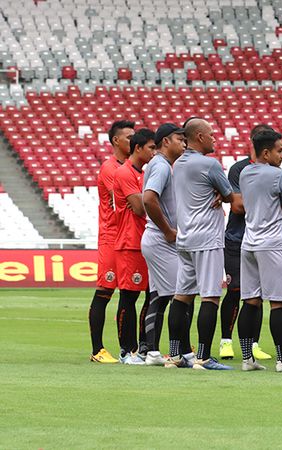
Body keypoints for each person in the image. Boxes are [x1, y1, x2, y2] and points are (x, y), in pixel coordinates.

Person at [166, 118, 235, 370]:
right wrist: (220, 193)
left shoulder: (179, 163)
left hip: (185, 237)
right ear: (200, 137)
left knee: (181, 296)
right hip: (207, 238)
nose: (215, 138)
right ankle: (203, 358)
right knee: (211, 296)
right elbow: (230, 196)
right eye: (211, 134)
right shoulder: (209, 164)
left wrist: (215, 191)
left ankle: (174, 355)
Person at [235, 130, 282, 372]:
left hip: (249, 243)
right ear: (266, 152)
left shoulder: (244, 173)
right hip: (272, 244)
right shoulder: (277, 176)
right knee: (279, 304)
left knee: (250, 301)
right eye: (279, 150)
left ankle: (246, 359)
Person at [220, 124, 275, 361]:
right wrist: (266, 205)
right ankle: (225, 341)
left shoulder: (274, 170)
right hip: (236, 238)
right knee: (235, 291)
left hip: (262, 240)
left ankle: (253, 343)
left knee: (257, 294)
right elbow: (237, 206)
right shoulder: (239, 169)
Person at [140, 123, 186, 366]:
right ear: (166, 141)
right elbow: (148, 198)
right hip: (161, 241)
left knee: (159, 296)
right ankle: (181, 352)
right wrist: (168, 230)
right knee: (181, 296)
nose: (184, 143)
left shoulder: (161, 165)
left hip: (157, 240)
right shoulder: (161, 166)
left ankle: (152, 352)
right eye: (180, 138)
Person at [89, 120, 134, 363]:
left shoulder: (127, 167)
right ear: (116, 140)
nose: (132, 141)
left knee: (129, 292)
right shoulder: (110, 169)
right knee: (104, 291)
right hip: (111, 237)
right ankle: (97, 349)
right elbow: (126, 197)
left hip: (126, 236)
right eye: (129, 137)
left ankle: (129, 348)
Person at [112, 128, 156, 364]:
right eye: (151, 147)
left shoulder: (144, 173)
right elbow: (140, 207)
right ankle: (125, 350)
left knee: (151, 297)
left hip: (146, 241)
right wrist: (149, 200)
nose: (154, 152)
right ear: (138, 148)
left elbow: (143, 204)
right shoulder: (124, 173)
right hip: (130, 243)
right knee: (129, 297)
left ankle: (144, 347)